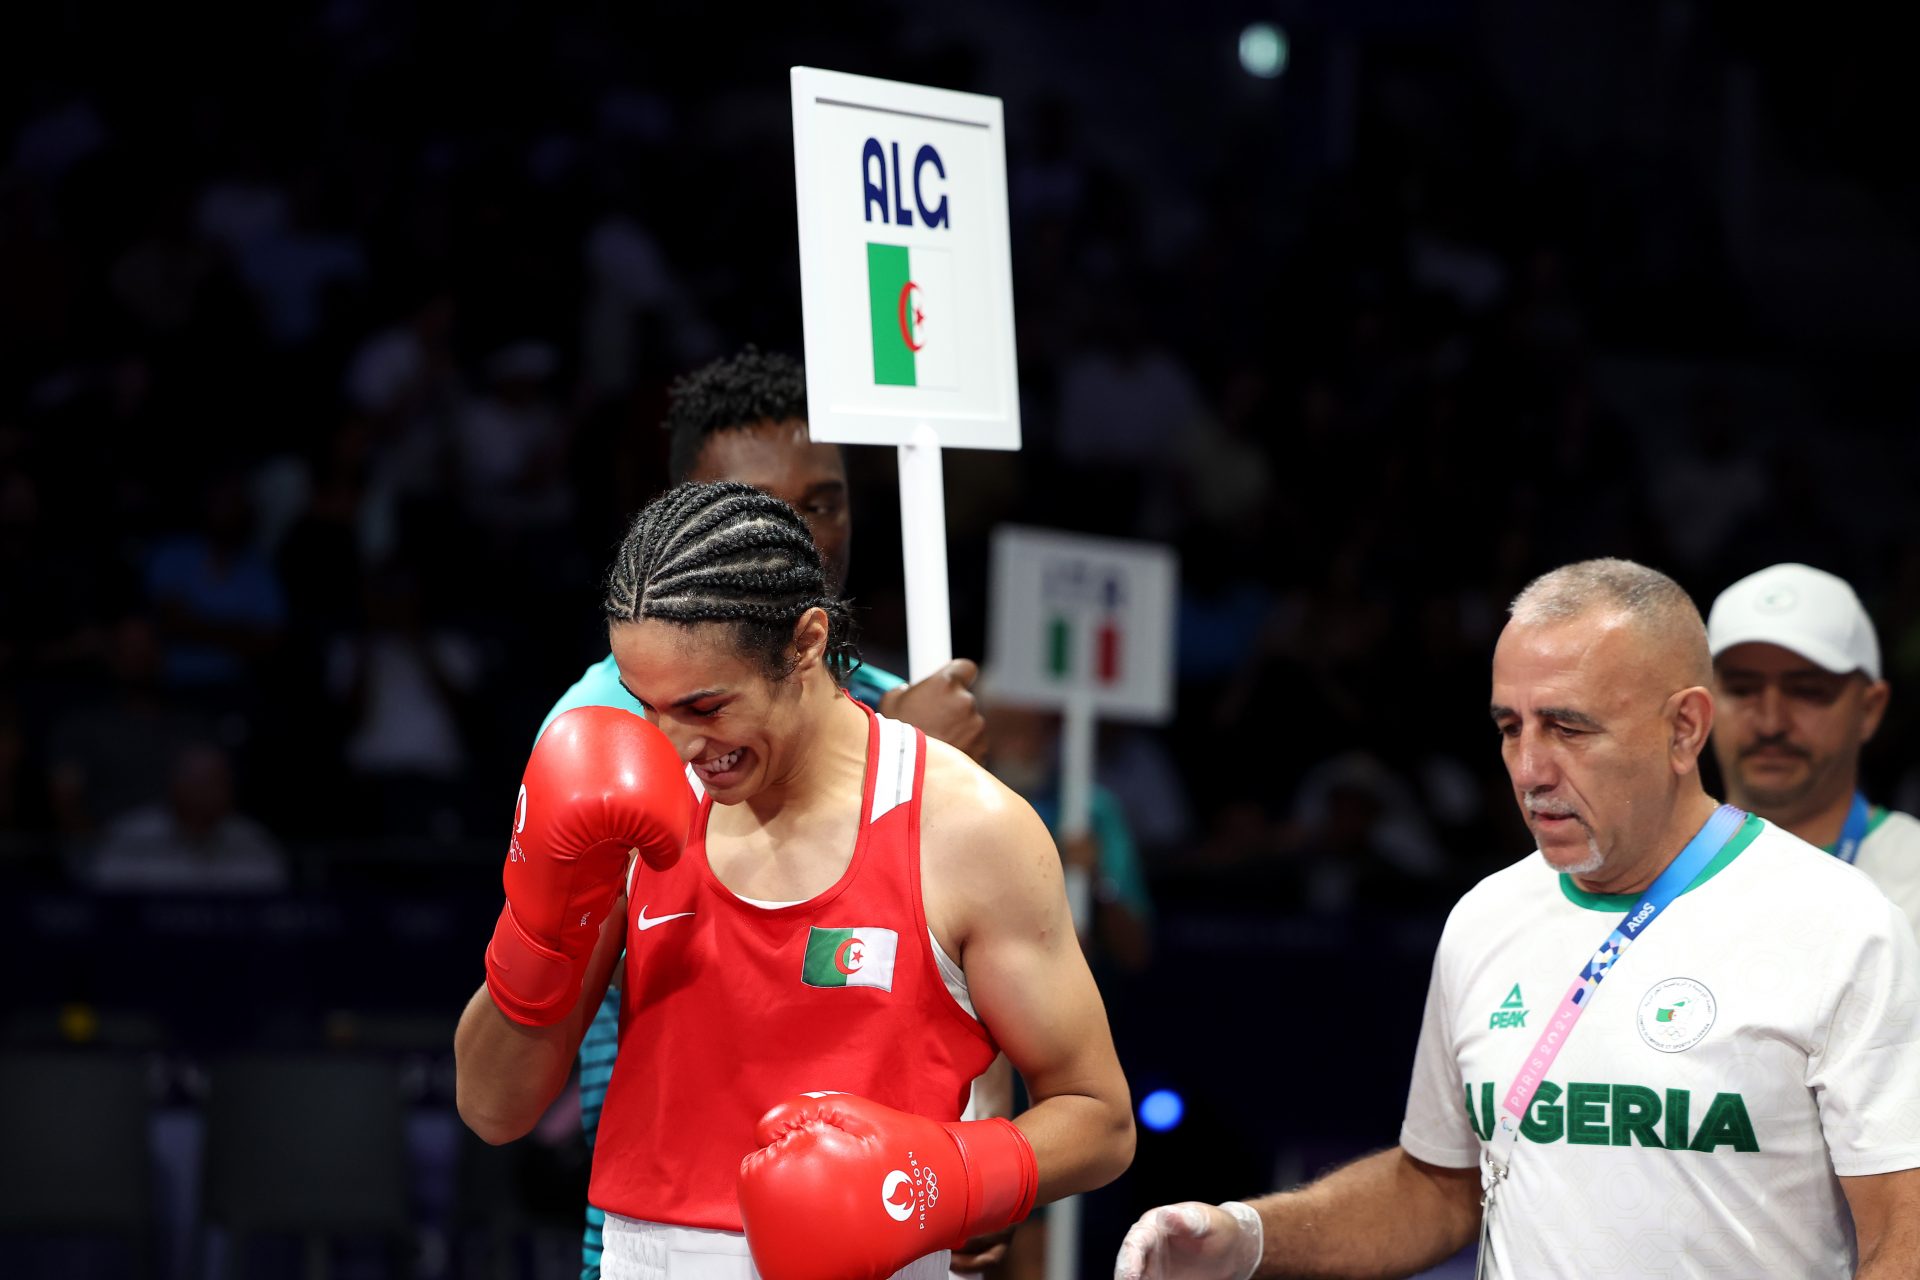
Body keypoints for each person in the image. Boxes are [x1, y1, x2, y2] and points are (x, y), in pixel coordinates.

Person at [1115, 558, 1920, 1280]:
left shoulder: (1842, 924)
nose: (1531, 768)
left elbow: (1904, 1236)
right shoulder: (1486, 916)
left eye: (1569, 726)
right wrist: (1248, 1238)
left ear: (1684, 729)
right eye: (1511, 727)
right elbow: (1438, 1189)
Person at [457, 482, 1133, 1280]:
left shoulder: (966, 829)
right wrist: (541, 921)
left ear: (807, 641)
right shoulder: (632, 813)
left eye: (706, 706)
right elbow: (493, 1108)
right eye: (648, 706)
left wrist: (939, 1179)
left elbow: (1101, 1120)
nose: (674, 744)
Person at [537, 348, 998, 1278]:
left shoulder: (908, 710)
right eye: (760, 509)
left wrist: (981, 1169)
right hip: (659, 1223)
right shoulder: (599, 727)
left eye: (823, 502)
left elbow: (975, 991)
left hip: (885, 1235)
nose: (803, 535)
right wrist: (891, 742)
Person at [1707, 562, 1920, 936]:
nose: (1771, 723)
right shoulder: (1644, 868)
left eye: (1807, 692)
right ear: (1700, 708)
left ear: (1869, 710)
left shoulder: (1911, 880)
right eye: (1742, 689)